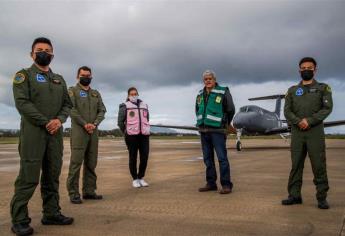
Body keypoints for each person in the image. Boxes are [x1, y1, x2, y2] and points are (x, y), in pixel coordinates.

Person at [10, 37, 73, 236]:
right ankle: (19, 220)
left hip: (55, 135)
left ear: (52, 55)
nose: (43, 52)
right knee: (28, 178)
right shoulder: (24, 75)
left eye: (47, 50)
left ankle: (51, 213)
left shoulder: (59, 79)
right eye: (39, 49)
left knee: (52, 176)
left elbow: (67, 105)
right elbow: (23, 103)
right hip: (33, 134)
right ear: (32, 54)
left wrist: (59, 120)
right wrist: (46, 121)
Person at [282, 57, 333, 209]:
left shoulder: (323, 88)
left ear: (315, 70)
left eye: (309, 68)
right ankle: (294, 195)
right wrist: (298, 122)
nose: (306, 70)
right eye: (303, 68)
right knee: (296, 165)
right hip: (297, 133)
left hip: (315, 132)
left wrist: (309, 121)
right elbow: (287, 110)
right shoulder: (291, 90)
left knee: (318, 165)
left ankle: (322, 197)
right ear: (299, 70)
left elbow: (327, 108)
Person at [66, 66, 106, 204]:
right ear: (78, 76)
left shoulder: (95, 93)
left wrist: (94, 124)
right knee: (76, 163)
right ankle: (73, 193)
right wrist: (85, 124)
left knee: (91, 162)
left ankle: (89, 191)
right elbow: (71, 109)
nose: (86, 77)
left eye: (88, 75)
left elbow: (102, 110)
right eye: (83, 75)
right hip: (79, 132)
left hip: (93, 132)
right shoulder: (72, 91)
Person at [196, 70, 235, 194]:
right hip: (204, 130)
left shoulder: (223, 91)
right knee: (207, 159)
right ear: (203, 81)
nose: (208, 81)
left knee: (222, 158)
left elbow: (230, 109)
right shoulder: (200, 94)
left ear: (214, 80)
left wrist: (225, 123)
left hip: (217, 130)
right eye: (206, 79)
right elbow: (197, 109)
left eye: (210, 79)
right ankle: (211, 183)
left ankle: (226, 184)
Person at [117, 87, 150, 188]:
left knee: (144, 157)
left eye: (135, 93)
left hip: (144, 135)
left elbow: (147, 118)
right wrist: (126, 131)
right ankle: (135, 179)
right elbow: (120, 122)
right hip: (131, 136)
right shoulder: (124, 106)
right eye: (131, 94)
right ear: (128, 95)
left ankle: (141, 177)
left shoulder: (145, 105)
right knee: (133, 157)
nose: (134, 95)